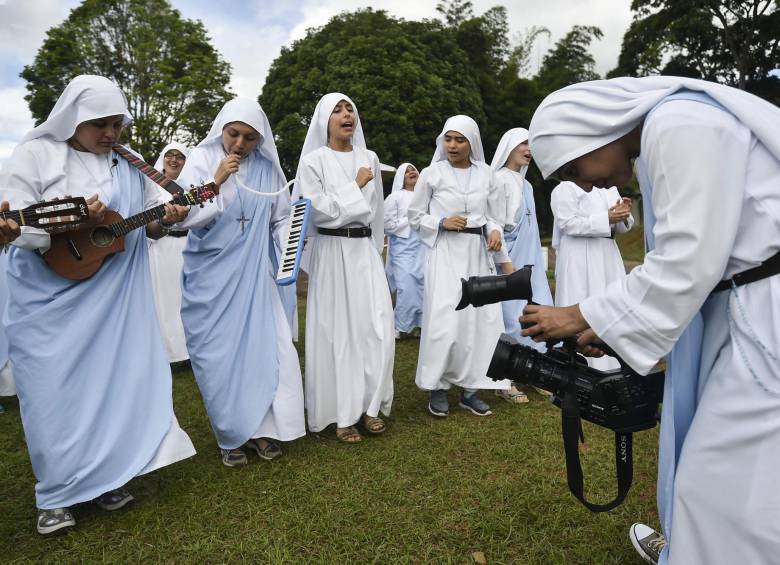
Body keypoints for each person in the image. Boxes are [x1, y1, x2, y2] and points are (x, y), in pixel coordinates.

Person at [522, 76, 780, 565]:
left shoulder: (680, 122)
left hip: (767, 324)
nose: (582, 183)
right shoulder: (673, 125)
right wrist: (608, 327)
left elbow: (687, 260)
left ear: (590, 131)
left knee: (719, 481)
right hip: (751, 312)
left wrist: (576, 314)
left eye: (574, 166)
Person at [0, 75, 195, 535]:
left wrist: (166, 219)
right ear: (72, 119)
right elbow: (16, 222)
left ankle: (108, 475)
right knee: (53, 394)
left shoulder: (129, 163)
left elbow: (150, 222)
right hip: (49, 299)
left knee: (110, 387)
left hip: (114, 304)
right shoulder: (35, 155)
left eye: (117, 124)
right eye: (99, 124)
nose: (110, 134)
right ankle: (57, 493)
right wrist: (39, 228)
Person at [176, 98, 305, 467]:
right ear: (221, 130)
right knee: (219, 356)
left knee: (265, 350)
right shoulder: (200, 161)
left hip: (256, 276)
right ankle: (230, 433)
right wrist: (217, 181)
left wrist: (288, 247)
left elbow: (281, 218)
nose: (239, 144)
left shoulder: (268, 170)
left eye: (249, 138)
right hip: (211, 278)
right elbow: (184, 219)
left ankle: (263, 430)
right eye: (233, 134)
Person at [293, 92, 394, 444]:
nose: (346, 114)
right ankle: (340, 414)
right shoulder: (314, 162)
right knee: (338, 331)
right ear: (324, 120)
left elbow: (377, 211)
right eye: (337, 110)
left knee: (376, 326)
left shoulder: (370, 157)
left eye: (350, 107)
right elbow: (317, 210)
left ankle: (370, 406)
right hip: (332, 251)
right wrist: (355, 186)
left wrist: (377, 250)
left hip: (363, 250)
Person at [408, 115, 511, 418]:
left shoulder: (487, 174)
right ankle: (438, 386)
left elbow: (495, 215)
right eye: (448, 139)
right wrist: (440, 221)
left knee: (478, 320)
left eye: (459, 140)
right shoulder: (431, 173)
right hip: (444, 252)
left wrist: (494, 231)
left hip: (476, 253)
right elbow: (414, 216)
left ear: (472, 142)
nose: (452, 145)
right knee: (444, 320)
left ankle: (471, 389)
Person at [490, 128, 554, 403]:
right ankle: (505, 379)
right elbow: (495, 225)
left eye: (531, 145)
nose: (529, 149)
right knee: (510, 317)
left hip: (532, 262)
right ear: (510, 147)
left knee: (536, 312)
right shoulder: (499, 180)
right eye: (524, 144)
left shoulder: (526, 185)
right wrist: (506, 263)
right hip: (510, 261)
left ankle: (534, 372)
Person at [550, 180, 633, 370]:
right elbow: (568, 223)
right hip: (579, 254)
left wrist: (623, 214)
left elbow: (619, 226)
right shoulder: (565, 188)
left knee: (612, 305)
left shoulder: (610, 187)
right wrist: (606, 218)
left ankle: (614, 363)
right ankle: (582, 366)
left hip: (608, 253)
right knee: (582, 300)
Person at [147, 142, 190, 364]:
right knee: (164, 300)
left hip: (187, 248)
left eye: (180, 157)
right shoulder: (152, 186)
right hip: (161, 247)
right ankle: (168, 352)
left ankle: (187, 351)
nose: (174, 160)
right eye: (169, 155)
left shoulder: (192, 185)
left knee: (185, 300)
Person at [384, 163, 424, 338]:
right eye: (407, 171)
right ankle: (400, 326)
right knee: (406, 286)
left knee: (424, 286)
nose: (411, 172)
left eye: (413, 169)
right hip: (403, 250)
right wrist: (410, 220)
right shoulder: (394, 197)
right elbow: (387, 225)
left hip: (423, 248)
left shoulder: (426, 196)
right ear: (401, 176)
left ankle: (421, 325)